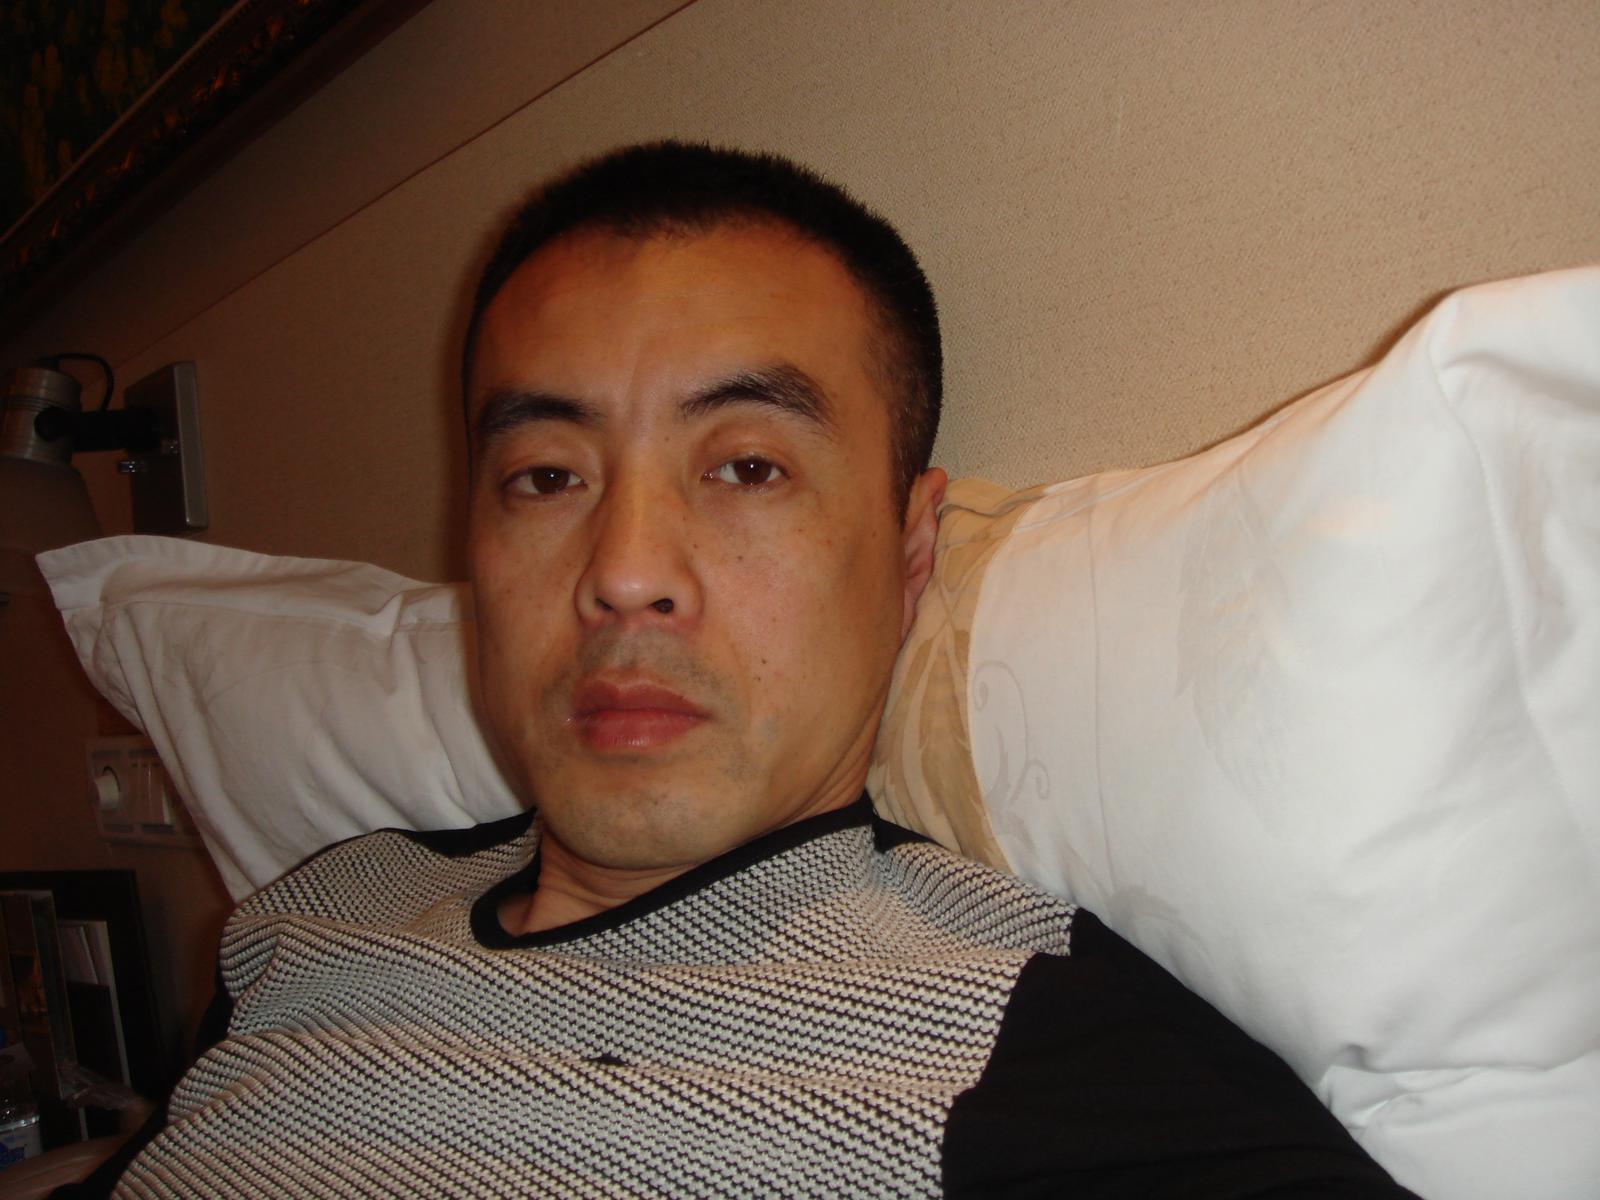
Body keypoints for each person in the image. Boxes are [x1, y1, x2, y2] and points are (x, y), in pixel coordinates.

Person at [76, 142, 1414, 1197]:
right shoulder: (317, 913)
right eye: (545, 477)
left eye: (747, 467)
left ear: (910, 551)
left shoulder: (1034, 1052)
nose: (625, 571)